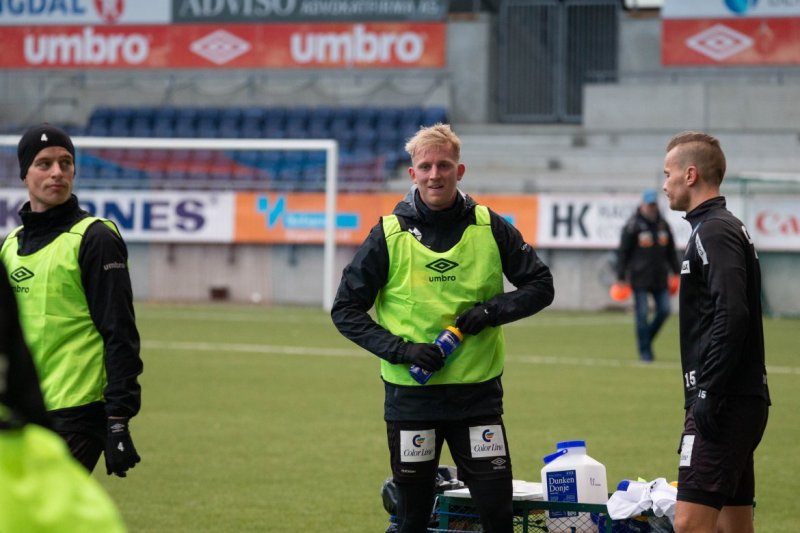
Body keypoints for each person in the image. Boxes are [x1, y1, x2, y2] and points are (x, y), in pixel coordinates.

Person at [331, 123, 554, 533]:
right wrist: (402, 350)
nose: (436, 174)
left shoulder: (490, 225)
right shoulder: (388, 234)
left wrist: (492, 312)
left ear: (460, 170)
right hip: (412, 400)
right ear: (412, 174)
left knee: (498, 515)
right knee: (412, 518)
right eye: (426, 166)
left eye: (444, 165)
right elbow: (345, 309)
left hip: (477, 397)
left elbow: (541, 285)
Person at [0, 123, 143, 477]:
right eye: (44, 164)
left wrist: (118, 419)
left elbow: (119, 332)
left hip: (78, 413)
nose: (57, 173)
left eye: (66, 163)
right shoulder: (9, 244)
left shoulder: (95, 238)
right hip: (25, 409)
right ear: (24, 173)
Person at [662, 131, 770, 533]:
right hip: (736, 399)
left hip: (724, 401)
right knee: (733, 526)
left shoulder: (714, 230)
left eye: (668, 173)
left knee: (690, 524)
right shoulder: (716, 228)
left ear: (690, 175)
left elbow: (732, 311)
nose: (664, 183)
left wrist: (708, 390)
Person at [615, 188, 680, 362]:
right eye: (649, 205)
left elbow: (671, 252)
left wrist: (676, 272)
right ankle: (645, 352)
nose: (651, 208)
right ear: (642, 205)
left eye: (653, 205)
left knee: (665, 310)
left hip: (660, 278)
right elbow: (623, 252)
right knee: (642, 315)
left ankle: (646, 340)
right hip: (640, 278)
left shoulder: (663, 225)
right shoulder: (633, 226)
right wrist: (621, 277)